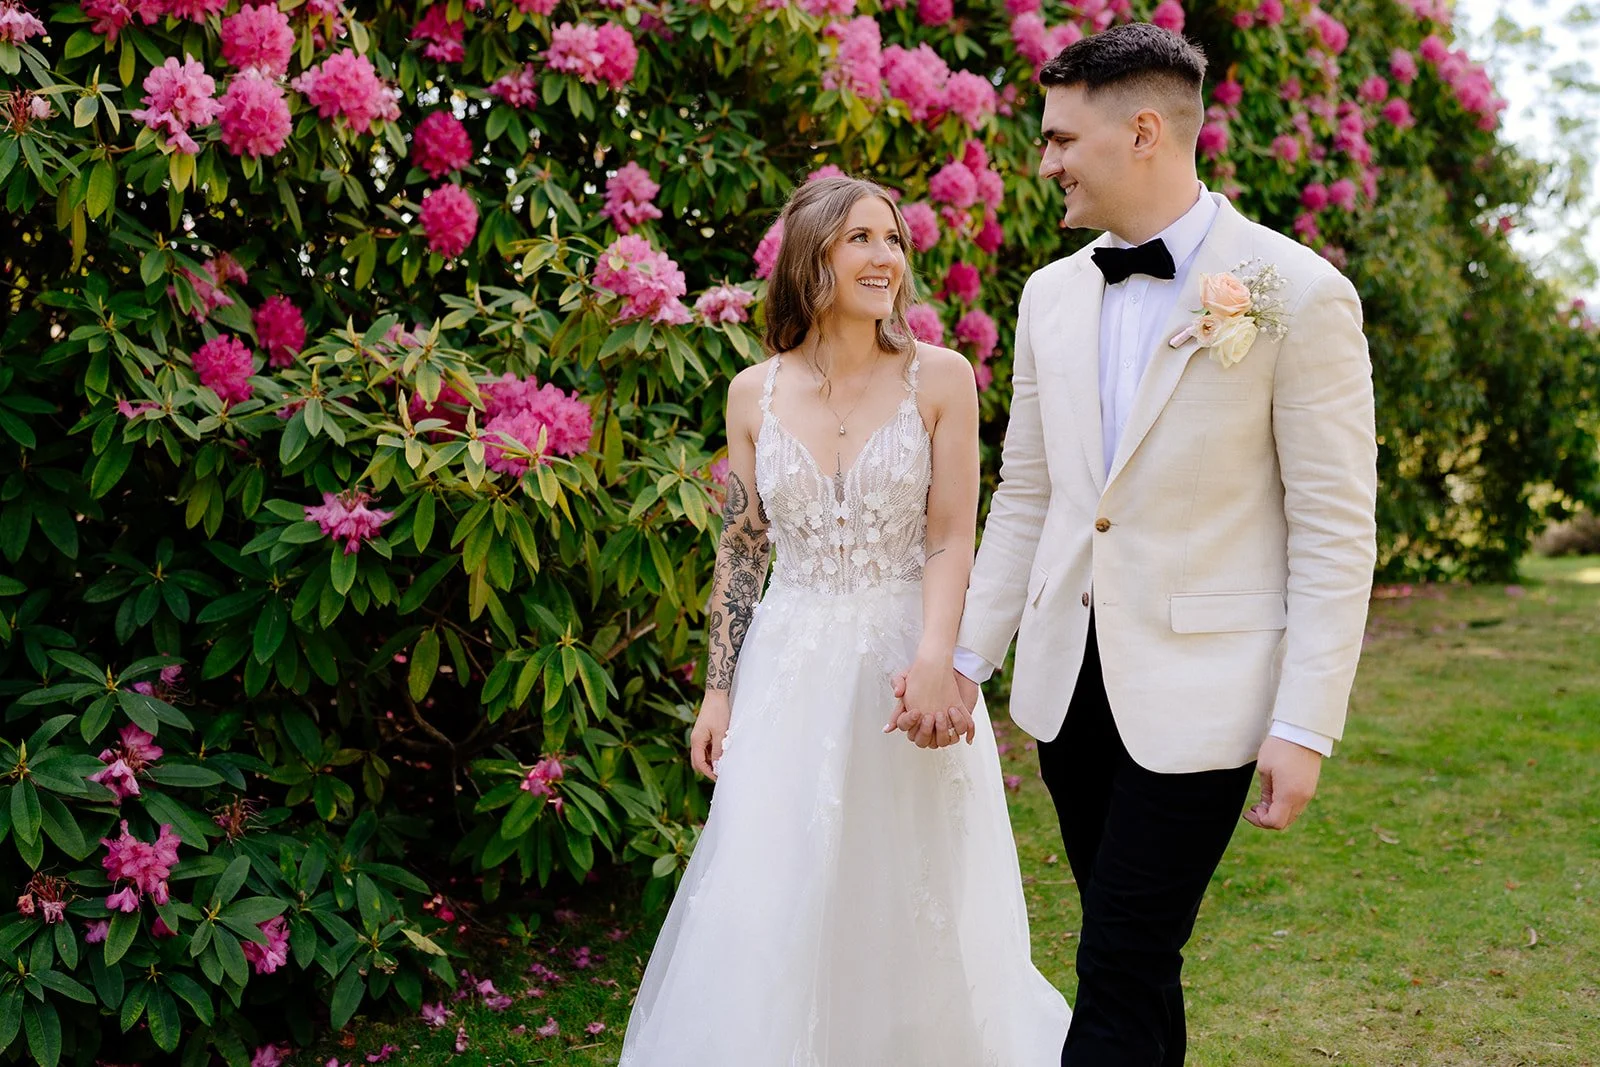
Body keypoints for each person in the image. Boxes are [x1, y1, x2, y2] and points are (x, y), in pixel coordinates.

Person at [892, 23, 1378, 1067]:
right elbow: (1029, 494)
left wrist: (1304, 721)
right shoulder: (1048, 295)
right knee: (1137, 962)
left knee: (1114, 960)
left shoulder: (1297, 292)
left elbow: (1336, 532)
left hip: (1208, 694)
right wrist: (968, 659)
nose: (1047, 161)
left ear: (1143, 131)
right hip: (1070, 691)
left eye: (1061, 138)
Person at [619, 176, 1069, 1066]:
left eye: (893, 240)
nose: (886, 258)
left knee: (911, 884)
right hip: (788, 662)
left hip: (908, 656)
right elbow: (743, 547)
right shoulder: (752, 393)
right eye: (861, 238)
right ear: (810, 256)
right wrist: (717, 692)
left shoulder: (941, 377)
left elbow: (950, 540)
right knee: (778, 881)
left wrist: (941, 659)